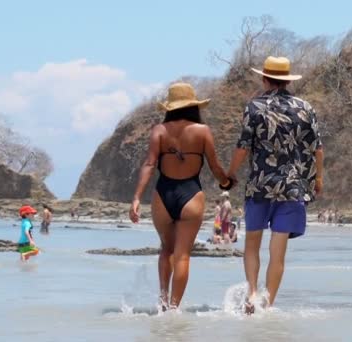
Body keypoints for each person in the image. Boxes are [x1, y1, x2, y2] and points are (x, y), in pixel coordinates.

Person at [226, 56, 324, 314]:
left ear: (264, 78)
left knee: (252, 245)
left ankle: (252, 294)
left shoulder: (254, 107)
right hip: (293, 189)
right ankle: (266, 304)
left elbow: (243, 146)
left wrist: (230, 173)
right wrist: (318, 179)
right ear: (288, 79)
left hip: (260, 186)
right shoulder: (305, 108)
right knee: (278, 253)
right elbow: (318, 150)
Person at [129, 82, 231, 310]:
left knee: (166, 250)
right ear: (193, 105)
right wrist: (226, 181)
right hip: (191, 194)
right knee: (182, 254)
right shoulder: (202, 131)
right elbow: (215, 167)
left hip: (163, 194)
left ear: (170, 107)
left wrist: (136, 197)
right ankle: (174, 309)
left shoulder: (159, 130)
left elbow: (149, 164)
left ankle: (163, 301)